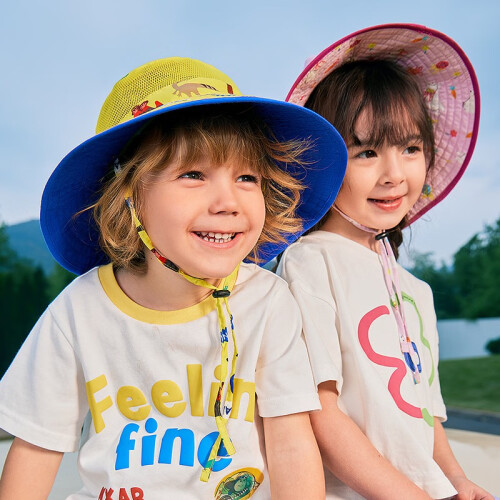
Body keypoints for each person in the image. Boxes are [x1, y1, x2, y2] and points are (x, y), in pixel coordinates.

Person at [0, 57, 347, 499]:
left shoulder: (267, 302)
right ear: (129, 197)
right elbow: (36, 447)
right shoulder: (79, 310)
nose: (228, 202)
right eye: (194, 175)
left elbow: (291, 444)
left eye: (247, 177)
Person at [278, 24, 493, 499]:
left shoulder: (415, 290)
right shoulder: (311, 263)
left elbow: (424, 412)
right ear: (322, 163)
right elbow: (319, 409)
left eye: (411, 149)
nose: (394, 174)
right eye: (367, 152)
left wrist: (457, 481)